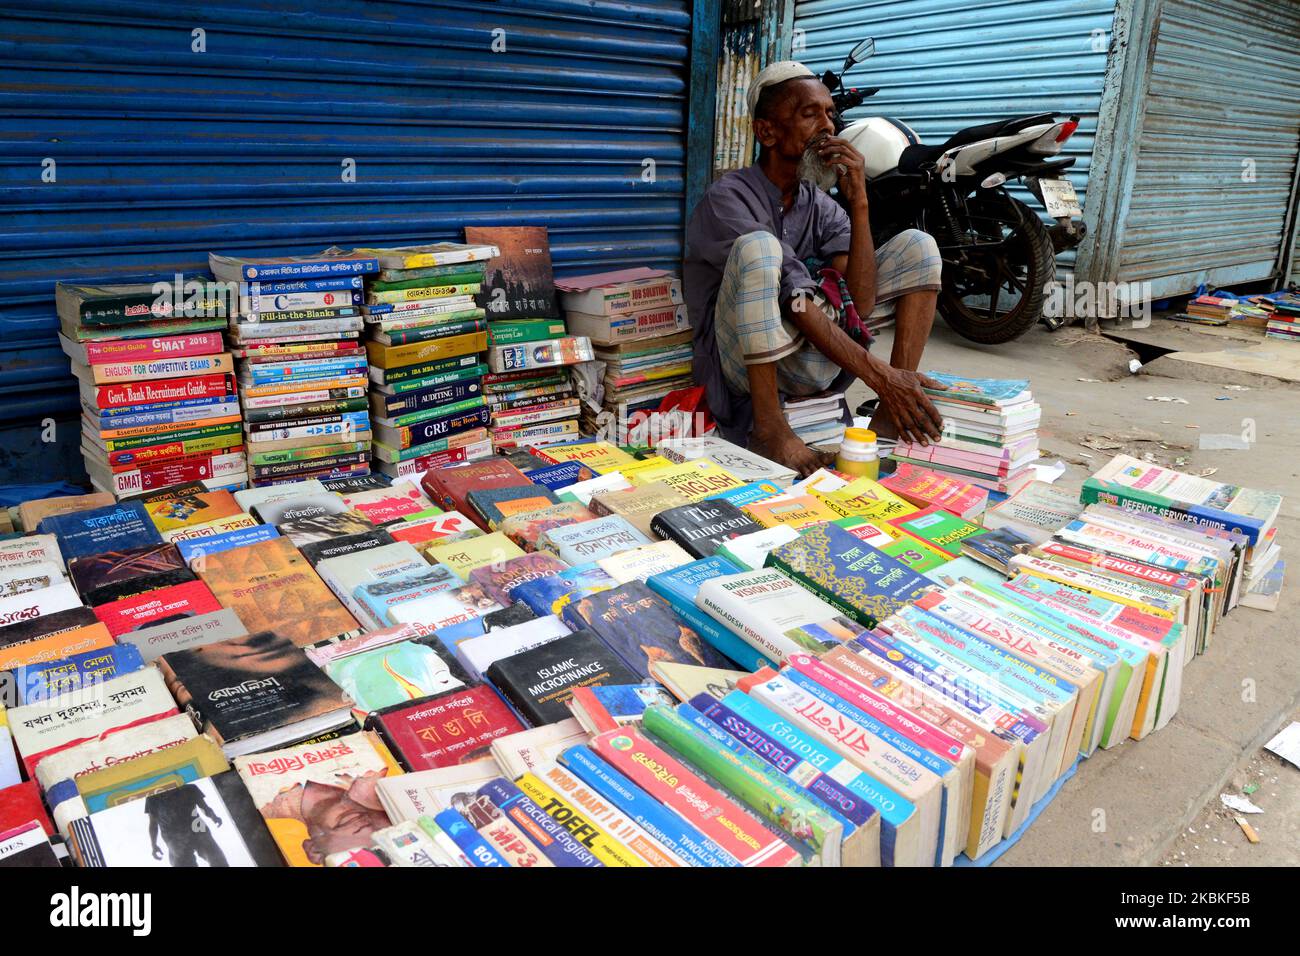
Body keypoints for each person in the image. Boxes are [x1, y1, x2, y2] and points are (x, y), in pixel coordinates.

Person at [686, 60, 948, 476]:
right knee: (759, 248)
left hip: (808, 357)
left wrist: (859, 202)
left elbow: (859, 306)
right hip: (745, 365)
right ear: (767, 131)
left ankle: (890, 412)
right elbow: (793, 299)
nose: (828, 127)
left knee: (919, 245)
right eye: (810, 114)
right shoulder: (727, 198)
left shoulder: (822, 205)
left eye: (831, 114)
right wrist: (880, 376)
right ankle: (770, 429)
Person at [144, 783, 229, 867]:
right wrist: (154, 845)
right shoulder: (153, 798)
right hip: (175, 837)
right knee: (213, 858)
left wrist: (213, 816)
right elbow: (153, 824)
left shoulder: (189, 788)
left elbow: (204, 807)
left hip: (196, 830)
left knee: (216, 859)